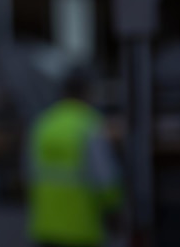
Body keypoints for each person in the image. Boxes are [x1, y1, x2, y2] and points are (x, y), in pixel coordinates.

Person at [23, 67, 123, 247]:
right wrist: (114, 208)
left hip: (45, 230)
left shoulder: (43, 124)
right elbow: (105, 178)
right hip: (82, 231)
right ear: (87, 92)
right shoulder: (90, 125)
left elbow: (28, 175)